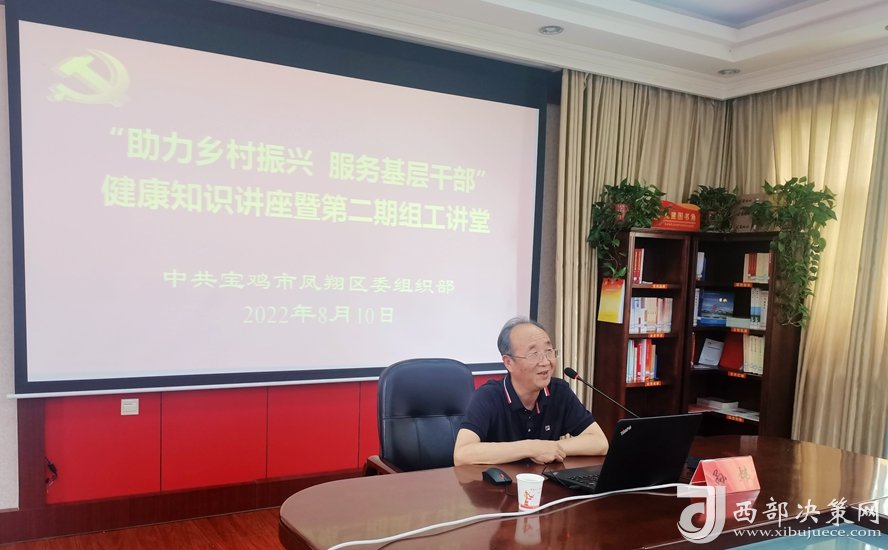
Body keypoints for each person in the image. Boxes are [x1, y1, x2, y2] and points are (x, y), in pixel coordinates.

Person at [453, 317, 609, 466]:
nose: (545, 362)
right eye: (534, 354)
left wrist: (550, 448)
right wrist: (531, 448)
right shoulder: (488, 396)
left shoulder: (559, 392)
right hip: (500, 483)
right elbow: (462, 454)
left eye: (549, 351)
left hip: (545, 481)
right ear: (509, 363)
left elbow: (600, 442)